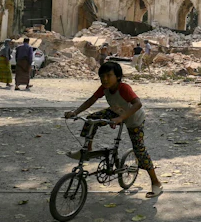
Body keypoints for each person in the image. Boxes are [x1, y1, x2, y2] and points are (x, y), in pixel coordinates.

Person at [64, 61, 163, 198]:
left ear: (118, 76)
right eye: (102, 76)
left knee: (139, 151)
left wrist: (121, 118)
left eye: (109, 75)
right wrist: (75, 112)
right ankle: (87, 149)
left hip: (134, 118)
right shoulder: (103, 88)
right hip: (117, 112)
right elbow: (90, 100)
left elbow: (137, 104)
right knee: (92, 119)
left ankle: (156, 182)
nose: (104, 79)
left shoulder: (124, 88)